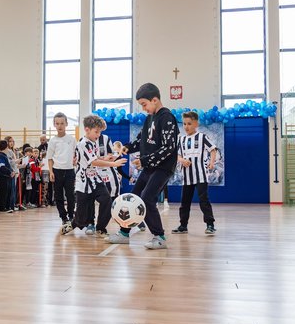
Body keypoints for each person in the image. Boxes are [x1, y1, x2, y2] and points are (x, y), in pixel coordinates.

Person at [106, 83, 179, 249]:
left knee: (147, 198)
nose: (144, 108)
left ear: (155, 100)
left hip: (163, 168)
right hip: (150, 167)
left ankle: (159, 236)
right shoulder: (149, 118)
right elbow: (141, 141)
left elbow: (169, 147)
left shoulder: (167, 118)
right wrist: (127, 148)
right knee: (133, 198)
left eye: (144, 104)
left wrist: (145, 160)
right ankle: (124, 233)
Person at [61, 115, 126, 238]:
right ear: (87, 129)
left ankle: (101, 228)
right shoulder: (83, 143)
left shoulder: (93, 142)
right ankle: (73, 224)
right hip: (83, 182)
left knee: (107, 200)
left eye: (100, 132)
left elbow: (94, 159)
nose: (98, 135)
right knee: (82, 217)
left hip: (95, 179)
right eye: (96, 132)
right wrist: (113, 164)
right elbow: (94, 162)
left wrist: (105, 158)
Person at [172, 111, 217, 235]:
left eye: (189, 124)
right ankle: (183, 225)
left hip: (201, 175)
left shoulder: (202, 137)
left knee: (204, 200)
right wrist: (182, 160)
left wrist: (212, 163)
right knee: (184, 202)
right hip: (187, 177)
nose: (186, 126)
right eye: (184, 124)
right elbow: (177, 155)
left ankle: (210, 224)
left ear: (196, 124)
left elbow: (213, 150)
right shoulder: (181, 139)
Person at [47, 112, 77, 226]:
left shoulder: (72, 139)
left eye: (62, 123)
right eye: (57, 123)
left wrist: (75, 160)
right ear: (54, 124)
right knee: (58, 196)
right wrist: (51, 172)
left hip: (69, 171)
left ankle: (71, 215)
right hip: (57, 171)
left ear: (66, 124)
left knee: (70, 195)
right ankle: (63, 217)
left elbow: (76, 154)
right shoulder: (52, 141)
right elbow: (50, 158)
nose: (60, 126)